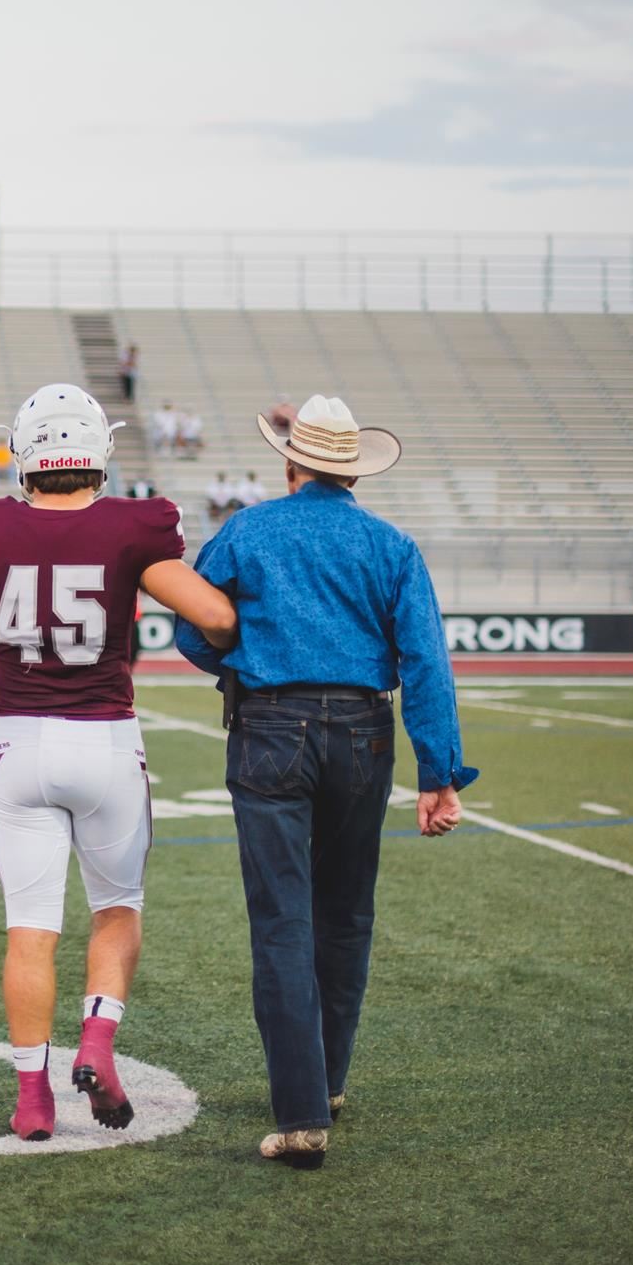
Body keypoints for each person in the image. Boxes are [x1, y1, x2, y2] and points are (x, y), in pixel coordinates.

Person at [0, 384, 238, 1142]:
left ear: (24, 455)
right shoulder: (135, 525)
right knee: (116, 909)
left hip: (19, 746)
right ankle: (96, 1040)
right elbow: (215, 616)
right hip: (106, 741)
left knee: (30, 930)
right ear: (97, 454)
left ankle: (31, 1098)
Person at [174, 394, 475, 1169]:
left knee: (282, 920)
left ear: (290, 460)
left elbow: (190, 627)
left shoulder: (247, 529)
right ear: (354, 470)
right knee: (345, 914)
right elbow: (426, 664)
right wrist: (439, 774)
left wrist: (241, 660)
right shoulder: (391, 544)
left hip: (271, 726)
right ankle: (330, 1080)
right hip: (364, 733)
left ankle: (302, 1112)